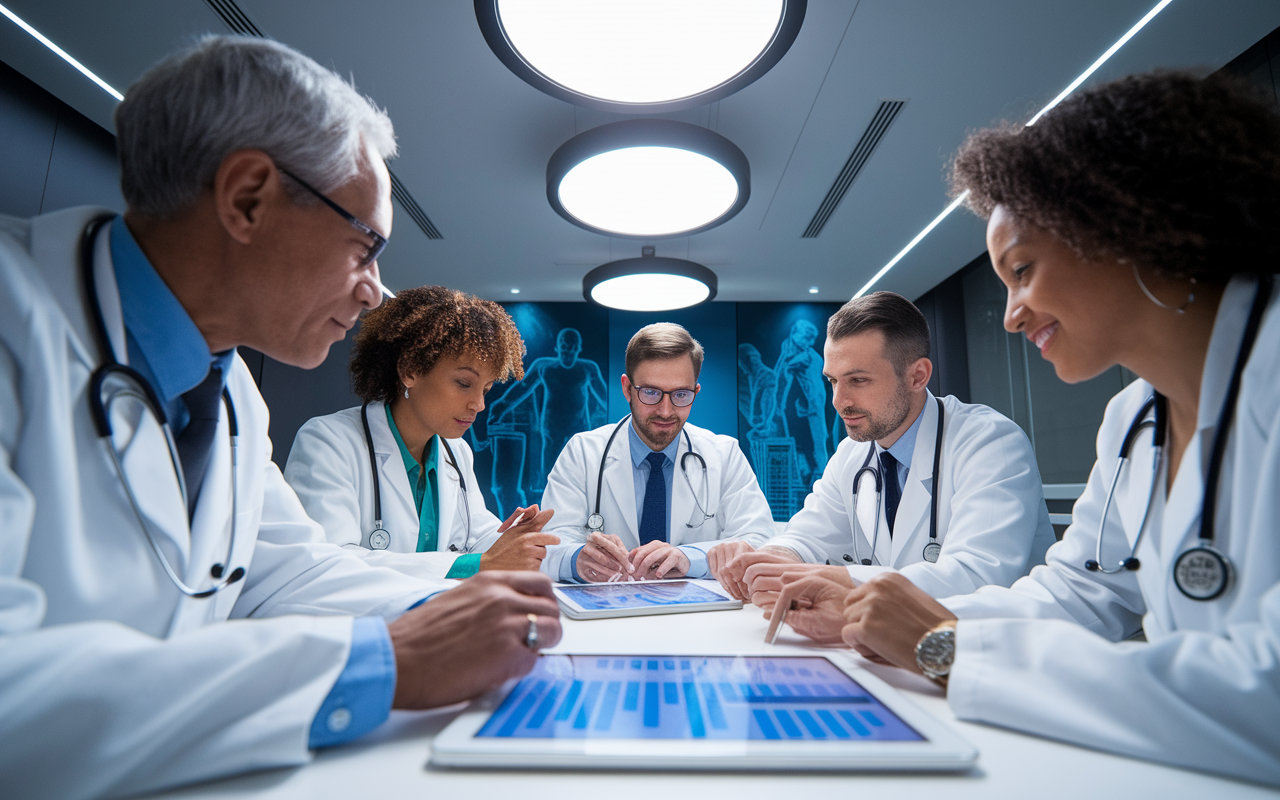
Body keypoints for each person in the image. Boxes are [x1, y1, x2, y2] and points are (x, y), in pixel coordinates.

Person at [0, 36, 561, 800]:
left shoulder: (228, 393)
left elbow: (284, 573)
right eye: (366, 247)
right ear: (247, 199)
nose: (374, 293)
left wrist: (468, 609)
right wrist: (383, 663)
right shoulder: (13, 316)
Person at [763, 71, 1280, 785]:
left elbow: (1266, 694)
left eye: (1024, 270)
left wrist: (945, 648)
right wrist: (867, 606)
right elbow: (1076, 596)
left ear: (1129, 225)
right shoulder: (1134, 425)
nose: (1010, 314)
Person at [718, 292, 1055, 607]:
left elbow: (978, 576)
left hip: (991, 651)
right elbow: (808, 536)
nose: (838, 401)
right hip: (889, 650)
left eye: (858, 380)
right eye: (832, 380)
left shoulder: (990, 443)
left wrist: (834, 580)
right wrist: (772, 558)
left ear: (917, 376)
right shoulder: (852, 454)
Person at [285, 286, 558, 580]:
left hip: (438, 617)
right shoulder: (328, 442)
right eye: (465, 383)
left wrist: (515, 540)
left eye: (487, 389)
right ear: (411, 370)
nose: (479, 404)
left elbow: (475, 535)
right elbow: (326, 565)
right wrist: (475, 565)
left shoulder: (456, 452)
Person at [539, 323, 776, 582]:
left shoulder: (724, 454)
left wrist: (690, 558)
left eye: (681, 394)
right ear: (627, 388)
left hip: (699, 616)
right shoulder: (582, 453)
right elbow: (550, 544)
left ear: (695, 391)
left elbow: (759, 540)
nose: (665, 410)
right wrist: (576, 560)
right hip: (608, 613)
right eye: (650, 393)